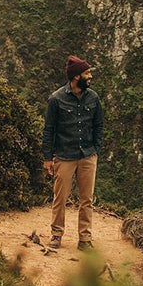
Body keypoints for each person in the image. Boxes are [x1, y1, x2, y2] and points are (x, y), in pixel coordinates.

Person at [42, 55, 104, 251]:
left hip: (87, 155)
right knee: (60, 198)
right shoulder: (56, 99)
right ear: (76, 77)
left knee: (86, 199)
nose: (90, 76)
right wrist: (47, 158)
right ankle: (56, 235)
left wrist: (96, 150)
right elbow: (49, 129)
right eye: (87, 73)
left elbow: (99, 125)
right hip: (64, 156)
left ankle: (84, 239)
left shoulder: (93, 97)